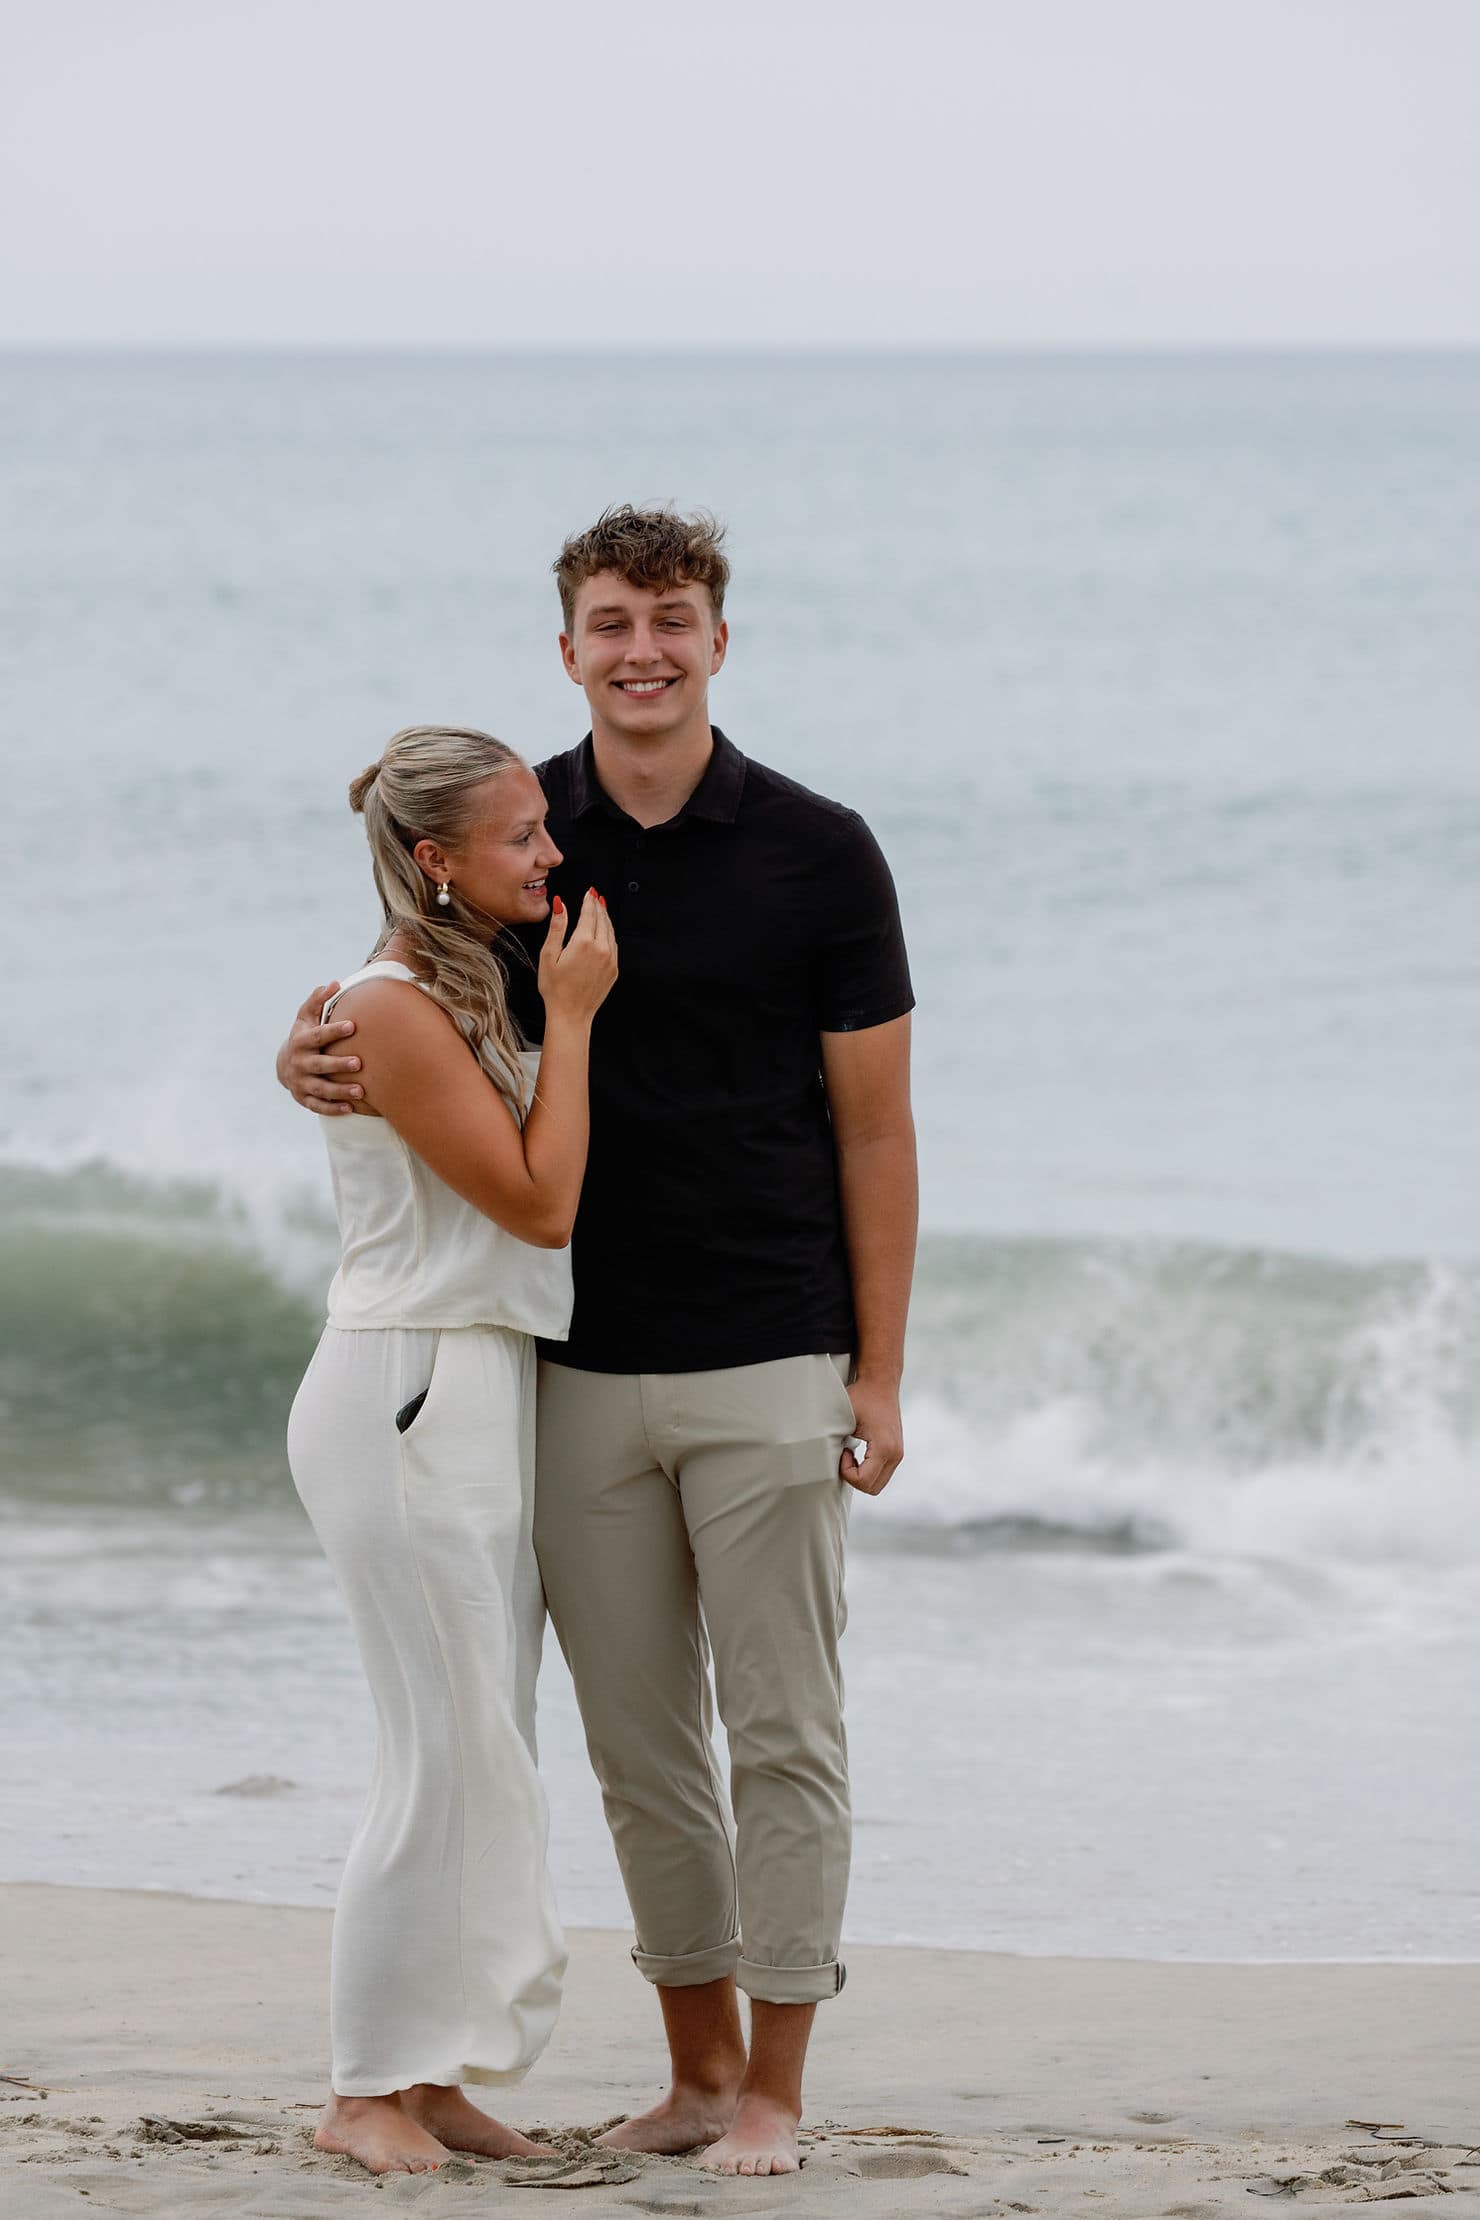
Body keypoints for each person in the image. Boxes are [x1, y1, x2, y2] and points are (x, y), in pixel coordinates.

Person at [279, 509, 918, 2178]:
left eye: (676, 618)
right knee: (633, 1751)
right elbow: (397, 1003)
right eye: (613, 621)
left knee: (785, 1732)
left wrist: (882, 1367)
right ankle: (697, 2077)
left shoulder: (820, 850)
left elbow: (875, 1131)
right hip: (562, 1369)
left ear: (721, 639)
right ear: (567, 647)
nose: (646, 649)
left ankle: (774, 2091)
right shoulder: (516, 828)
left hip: (773, 1346)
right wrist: (309, 1056)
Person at [285, 723, 618, 2177]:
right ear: (437, 859)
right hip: (406, 1385)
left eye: (545, 829)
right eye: (523, 837)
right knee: (434, 1754)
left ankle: (440, 2073)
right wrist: (585, 1016)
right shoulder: (397, 1005)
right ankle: (365, 2085)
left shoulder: (451, 986)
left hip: (471, 1383)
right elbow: (542, 1207)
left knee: (487, 1744)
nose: (551, 857)